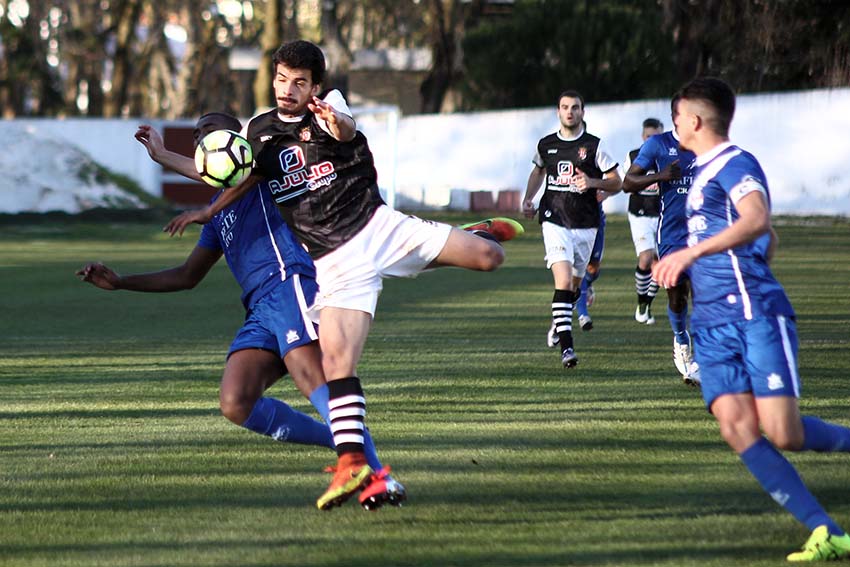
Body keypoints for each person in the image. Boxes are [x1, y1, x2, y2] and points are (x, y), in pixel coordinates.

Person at [161, 40, 521, 510]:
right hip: (335, 261)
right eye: (282, 79)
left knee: (490, 257)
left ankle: (469, 236)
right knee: (336, 365)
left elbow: (345, 128)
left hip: (377, 226)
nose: (288, 89)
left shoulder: (330, 106)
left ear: (315, 86)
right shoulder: (258, 132)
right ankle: (354, 464)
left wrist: (334, 122)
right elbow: (226, 172)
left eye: (300, 82)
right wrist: (191, 191)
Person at [79, 112, 405, 511]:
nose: (201, 138)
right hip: (259, 309)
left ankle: (378, 475)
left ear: (239, 139)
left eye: (210, 130)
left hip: (290, 283)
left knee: (310, 375)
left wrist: (166, 158)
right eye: (196, 134)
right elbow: (187, 275)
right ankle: (345, 443)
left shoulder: (262, 176)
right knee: (236, 401)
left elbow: (240, 168)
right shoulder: (218, 210)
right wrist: (121, 282)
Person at [654, 76, 850, 562]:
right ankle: (826, 530)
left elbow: (758, 218)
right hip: (710, 324)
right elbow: (768, 239)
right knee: (736, 427)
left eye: (677, 116)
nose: (674, 123)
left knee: (785, 433)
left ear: (694, 120)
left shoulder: (735, 162)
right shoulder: (700, 172)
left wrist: (692, 254)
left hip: (752, 314)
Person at [522, 90, 621, 368]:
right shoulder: (546, 145)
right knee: (563, 281)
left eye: (575, 107)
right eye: (565, 107)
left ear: (582, 112)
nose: (569, 112)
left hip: (586, 224)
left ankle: (558, 321)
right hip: (553, 219)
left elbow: (617, 182)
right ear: (558, 111)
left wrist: (593, 182)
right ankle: (567, 349)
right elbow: (538, 171)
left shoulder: (594, 146)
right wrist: (528, 199)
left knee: (574, 287)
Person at [623, 99, 700, 385]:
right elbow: (627, 183)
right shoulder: (658, 145)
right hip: (671, 234)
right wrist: (661, 175)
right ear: (675, 115)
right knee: (677, 294)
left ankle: (707, 356)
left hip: (705, 233)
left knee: (706, 295)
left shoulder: (708, 143)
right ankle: (681, 339)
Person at [623, 117, 665, 326]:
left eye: (656, 137)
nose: (652, 141)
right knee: (646, 257)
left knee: (661, 264)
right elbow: (626, 184)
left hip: (663, 215)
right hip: (639, 214)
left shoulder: (669, 157)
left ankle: (647, 303)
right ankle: (641, 302)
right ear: (643, 137)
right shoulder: (634, 157)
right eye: (649, 137)